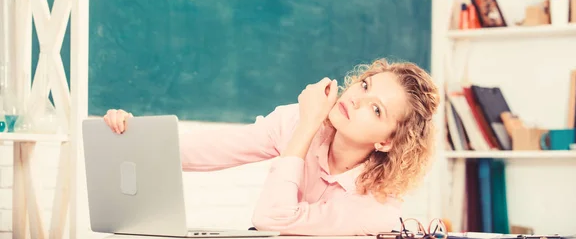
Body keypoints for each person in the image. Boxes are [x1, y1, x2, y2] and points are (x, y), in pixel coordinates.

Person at [103, 58, 440, 236]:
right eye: (364, 85)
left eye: (376, 108)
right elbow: (211, 150)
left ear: (386, 141)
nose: (355, 98)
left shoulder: (379, 208)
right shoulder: (296, 120)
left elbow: (271, 219)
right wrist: (137, 136)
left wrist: (308, 125)